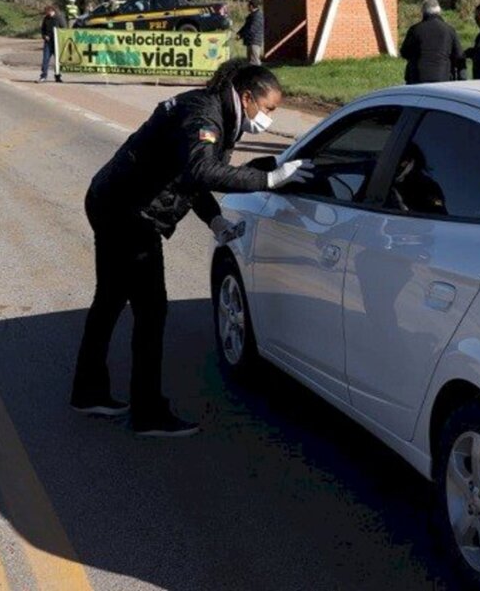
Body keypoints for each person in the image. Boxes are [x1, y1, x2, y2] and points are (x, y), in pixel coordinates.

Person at [70, 59, 314, 435]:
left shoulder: (213, 107)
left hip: (112, 201)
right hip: (129, 215)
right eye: (268, 109)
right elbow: (202, 171)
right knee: (151, 312)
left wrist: (214, 220)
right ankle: (148, 413)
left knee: (111, 300)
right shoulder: (206, 115)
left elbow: (189, 175)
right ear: (247, 97)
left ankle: (88, 392)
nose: (269, 119)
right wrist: (269, 179)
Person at [399, 0, 464, 84]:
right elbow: (458, 55)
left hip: (418, 77)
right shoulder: (449, 30)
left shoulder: (415, 30)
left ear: (423, 12)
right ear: (439, 11)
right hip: (443, 77)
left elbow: (404, 52)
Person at [38, 5, 66, 83]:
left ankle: (58, 76)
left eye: (48, 12)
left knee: (57, 60)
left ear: (52, 11)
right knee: (45, 59)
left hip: (57, 43)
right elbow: (43, 29)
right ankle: (43, 76)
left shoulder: (59, 18)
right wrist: (44, 36)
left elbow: (64, 29)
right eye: (46, 12)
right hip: (48, 43)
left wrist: (59, 37)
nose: (47, 14)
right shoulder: (46, 19)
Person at [237, 0, 264, 65]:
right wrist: (239, 34)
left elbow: (252, 30)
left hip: (254, 41)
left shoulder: (258, 16)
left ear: (251, 6)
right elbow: (245, 27)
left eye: (248, 6)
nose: (247, 7)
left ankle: (259, 74)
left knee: (255, 61)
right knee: (250, 62)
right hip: (250, 41)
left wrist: (241, 35)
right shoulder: (252, 15)